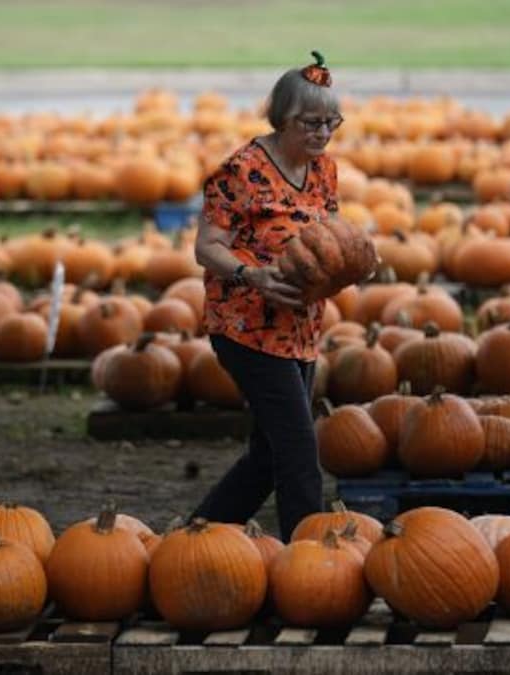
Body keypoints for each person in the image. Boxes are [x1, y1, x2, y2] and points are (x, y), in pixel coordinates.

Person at [190, 51, 345, 541]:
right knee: (299, 453)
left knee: (270, 453)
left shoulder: (324, 170)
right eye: (311, 123)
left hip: (300, 328)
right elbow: (206, 246)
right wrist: (250, 275)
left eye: (330, 123)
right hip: (246, 328)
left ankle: (199, 534)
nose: (322, 133)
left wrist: (354, 261)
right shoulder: (241, 170)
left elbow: (331, 237)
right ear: (281, 118)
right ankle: (312, 562)